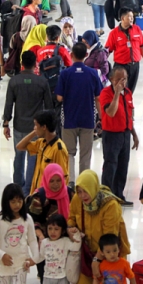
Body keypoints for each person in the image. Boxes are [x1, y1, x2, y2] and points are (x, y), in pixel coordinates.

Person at [67, 169, 131, 284]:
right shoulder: (77, 199)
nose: (82, 196)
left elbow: (110, 238)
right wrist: (70, 227)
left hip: (110, 254)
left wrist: (97, 259)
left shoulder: (110, 205)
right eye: (79, 191)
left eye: (85, 191)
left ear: (93, 187)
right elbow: (71, 217)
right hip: (87, 253)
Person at [4, 50, 53, 194]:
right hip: (37, 128)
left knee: (19, 154)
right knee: (34, 157)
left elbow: (8, 104)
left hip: (19, 125)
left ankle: (17, 185)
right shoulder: (42, 82)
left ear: (21, 64)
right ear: (35, 64)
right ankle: (30, 188)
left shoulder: (14, 81)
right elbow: (49, 106)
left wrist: (6, 123)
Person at [56, 43, 103, 185]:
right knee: (85, 154)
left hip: (69, 119)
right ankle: (83, 182)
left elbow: (59, 97)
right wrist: (100, 117)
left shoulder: (65, 74)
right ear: (86, 55)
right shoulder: (93, 73)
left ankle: (70, 182)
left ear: (71, 55)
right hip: (87, 119)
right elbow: (98, 98)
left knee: (69, 152)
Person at [25, 163, 74, 280]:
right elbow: (32, 221)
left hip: (65, 238)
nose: (56, 184)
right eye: (51, 181)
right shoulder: (39, 196)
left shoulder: (69, 193)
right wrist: (41, 237)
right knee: (46, 272)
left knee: (66, 273)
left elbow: (75, 214)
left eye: (58, 180)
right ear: (46, 179)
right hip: (45, 238)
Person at [100, 66, 139, 204]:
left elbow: (129, 115)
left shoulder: (128, 93)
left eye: (125, 79)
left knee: (123, 166)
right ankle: (106, 196)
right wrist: (116, 94)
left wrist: (134, 134)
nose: (122, 82)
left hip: (125, 134)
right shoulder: (105, 93)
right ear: (111, 79)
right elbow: (110, 112)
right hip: (111, 135)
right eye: (118, 79)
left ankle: (118, 195)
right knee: (111, 166)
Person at [0, 183, 38, 283]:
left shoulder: (27, 219)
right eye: (13, 202)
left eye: (19, 201)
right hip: (4, 265)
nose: (17, 205)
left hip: (21, 264)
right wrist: (1, 255)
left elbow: (32, 240)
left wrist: (35, 257)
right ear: (6, 202)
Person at [16, 110, 69, 194]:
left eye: (36, 125)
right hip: (37, 193)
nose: (34, 128)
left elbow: (63, 178)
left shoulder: (59, 149)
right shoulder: (41, 143)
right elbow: (19, 146)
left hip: (48, 197)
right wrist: (35, 132)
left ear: (44, 127)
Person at [105, 7, 143, 94]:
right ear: (122, 18)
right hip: (121, 67)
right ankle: (121, 106)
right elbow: (107, 51)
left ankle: (128, 107)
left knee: (130, 91)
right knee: (121, 91)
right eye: (129, 16)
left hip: (135, 66)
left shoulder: (137, 29)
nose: (132, 19)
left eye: (132, 16)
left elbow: (142, 47)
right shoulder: (114, 33)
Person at [38, 214, 81, 283]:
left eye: (56, 229)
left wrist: (76, 234)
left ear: (63, 230)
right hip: (47, 277)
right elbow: (41, 257)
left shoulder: (65, 241)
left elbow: (76, 248)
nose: (52, 232)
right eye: (50, 228)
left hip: (62, 277)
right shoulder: (44, 242)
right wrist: (30, 261)